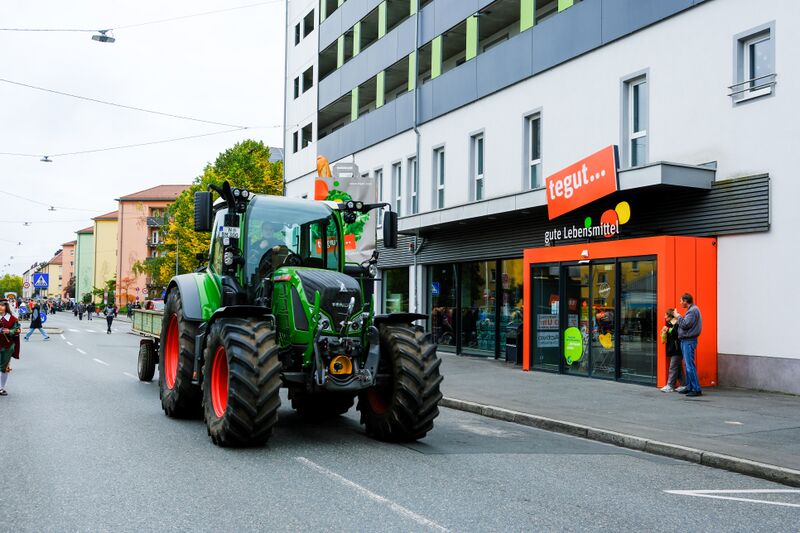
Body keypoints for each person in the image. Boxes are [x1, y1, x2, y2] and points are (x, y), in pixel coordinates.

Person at [673, 293, 702, 397]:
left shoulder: (692, 311)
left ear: (686, 301)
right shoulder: (693, 310)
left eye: (681, 301)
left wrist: (678, 316)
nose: (680, 303)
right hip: (687, 341)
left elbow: (685, 324)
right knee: (688, 365)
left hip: (688, 341)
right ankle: (690, 387)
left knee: (689, 366)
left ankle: (696, 389)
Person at [0, 300, 21, 396]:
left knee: (4, 368)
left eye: (2, 305)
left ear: (6, 307)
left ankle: (1, 388)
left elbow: (18, 330)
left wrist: (10, 331)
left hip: (7, 346)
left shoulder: (12, 319)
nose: (0, 307)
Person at [660, 308, 683, 392]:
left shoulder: (677, 323)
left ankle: (670, 385)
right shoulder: (670, 323)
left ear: (670, 316)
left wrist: (668, 330)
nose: (664, 317)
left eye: (666, 315)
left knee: (673, 367)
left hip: (677, 349)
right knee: (678, 368)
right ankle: (683, 385)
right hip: (674, 348)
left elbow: (677, 333)